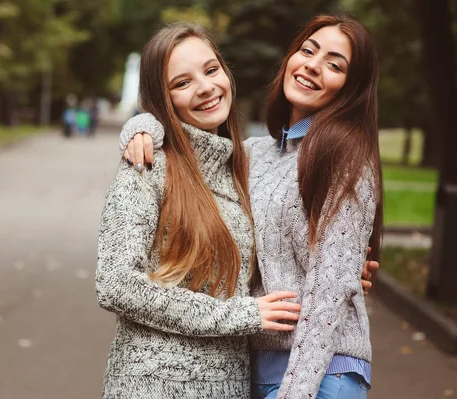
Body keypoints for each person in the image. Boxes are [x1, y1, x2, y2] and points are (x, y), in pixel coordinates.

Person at [118, 14, 382, 399]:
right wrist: (141, 127)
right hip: (260, 367)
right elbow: (186, 145)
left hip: (320, 374)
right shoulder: (252, 155)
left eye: (335, 64)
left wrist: (298, 392)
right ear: (290, 57)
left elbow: (328, 295)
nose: (313, 65)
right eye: (307, 50)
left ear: (351, 87)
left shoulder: (345, 159)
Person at [96, 23, 303, 399]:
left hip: (230, 386)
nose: (206, 87)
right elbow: (116, 285)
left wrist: (340, 262)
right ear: (163, 98)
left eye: (211, 70)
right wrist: (241, 315)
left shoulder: (243, 165)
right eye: (182, 83)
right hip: (152, 386)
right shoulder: (148, 166)